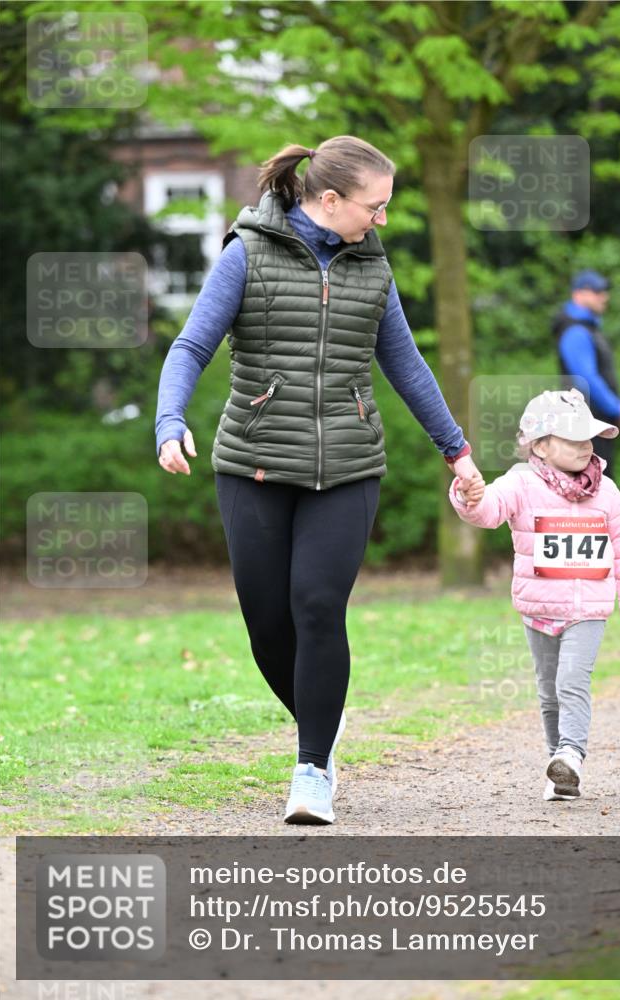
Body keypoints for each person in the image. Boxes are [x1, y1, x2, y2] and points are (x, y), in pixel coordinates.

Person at [156, 135, 481, 825]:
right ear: (328, 199)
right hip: (253, 464)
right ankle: (322, 724)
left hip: (348, 466)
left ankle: (310, 770)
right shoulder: (246, 253)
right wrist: (168, 420)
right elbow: (191, 345)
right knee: (267, 622)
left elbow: (406, 366)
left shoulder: (373, 268)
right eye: (376, 206)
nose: (382, 220)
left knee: (316, 605)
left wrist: (456, 450)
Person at [448, 388, 620, 801]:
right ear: (539, 446)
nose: (585, 447)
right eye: (573, 439)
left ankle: (572, 753)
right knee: (548, 691)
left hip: (588, 607)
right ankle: (559, 770)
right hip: (539, 606)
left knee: (572, 681)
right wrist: (468, 497)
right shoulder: (519, 483)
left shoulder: (607, 492)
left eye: (588, 438)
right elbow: (488, 512)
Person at [552, 269, 620, 479]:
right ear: (578, 294)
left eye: (604, 291)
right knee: (595, 485)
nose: (604, 296)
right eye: (597, 291)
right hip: (586, 425)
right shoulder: (575, 331)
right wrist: (617, 406)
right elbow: (586, 377)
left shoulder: (587, 328)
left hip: (594, 422)